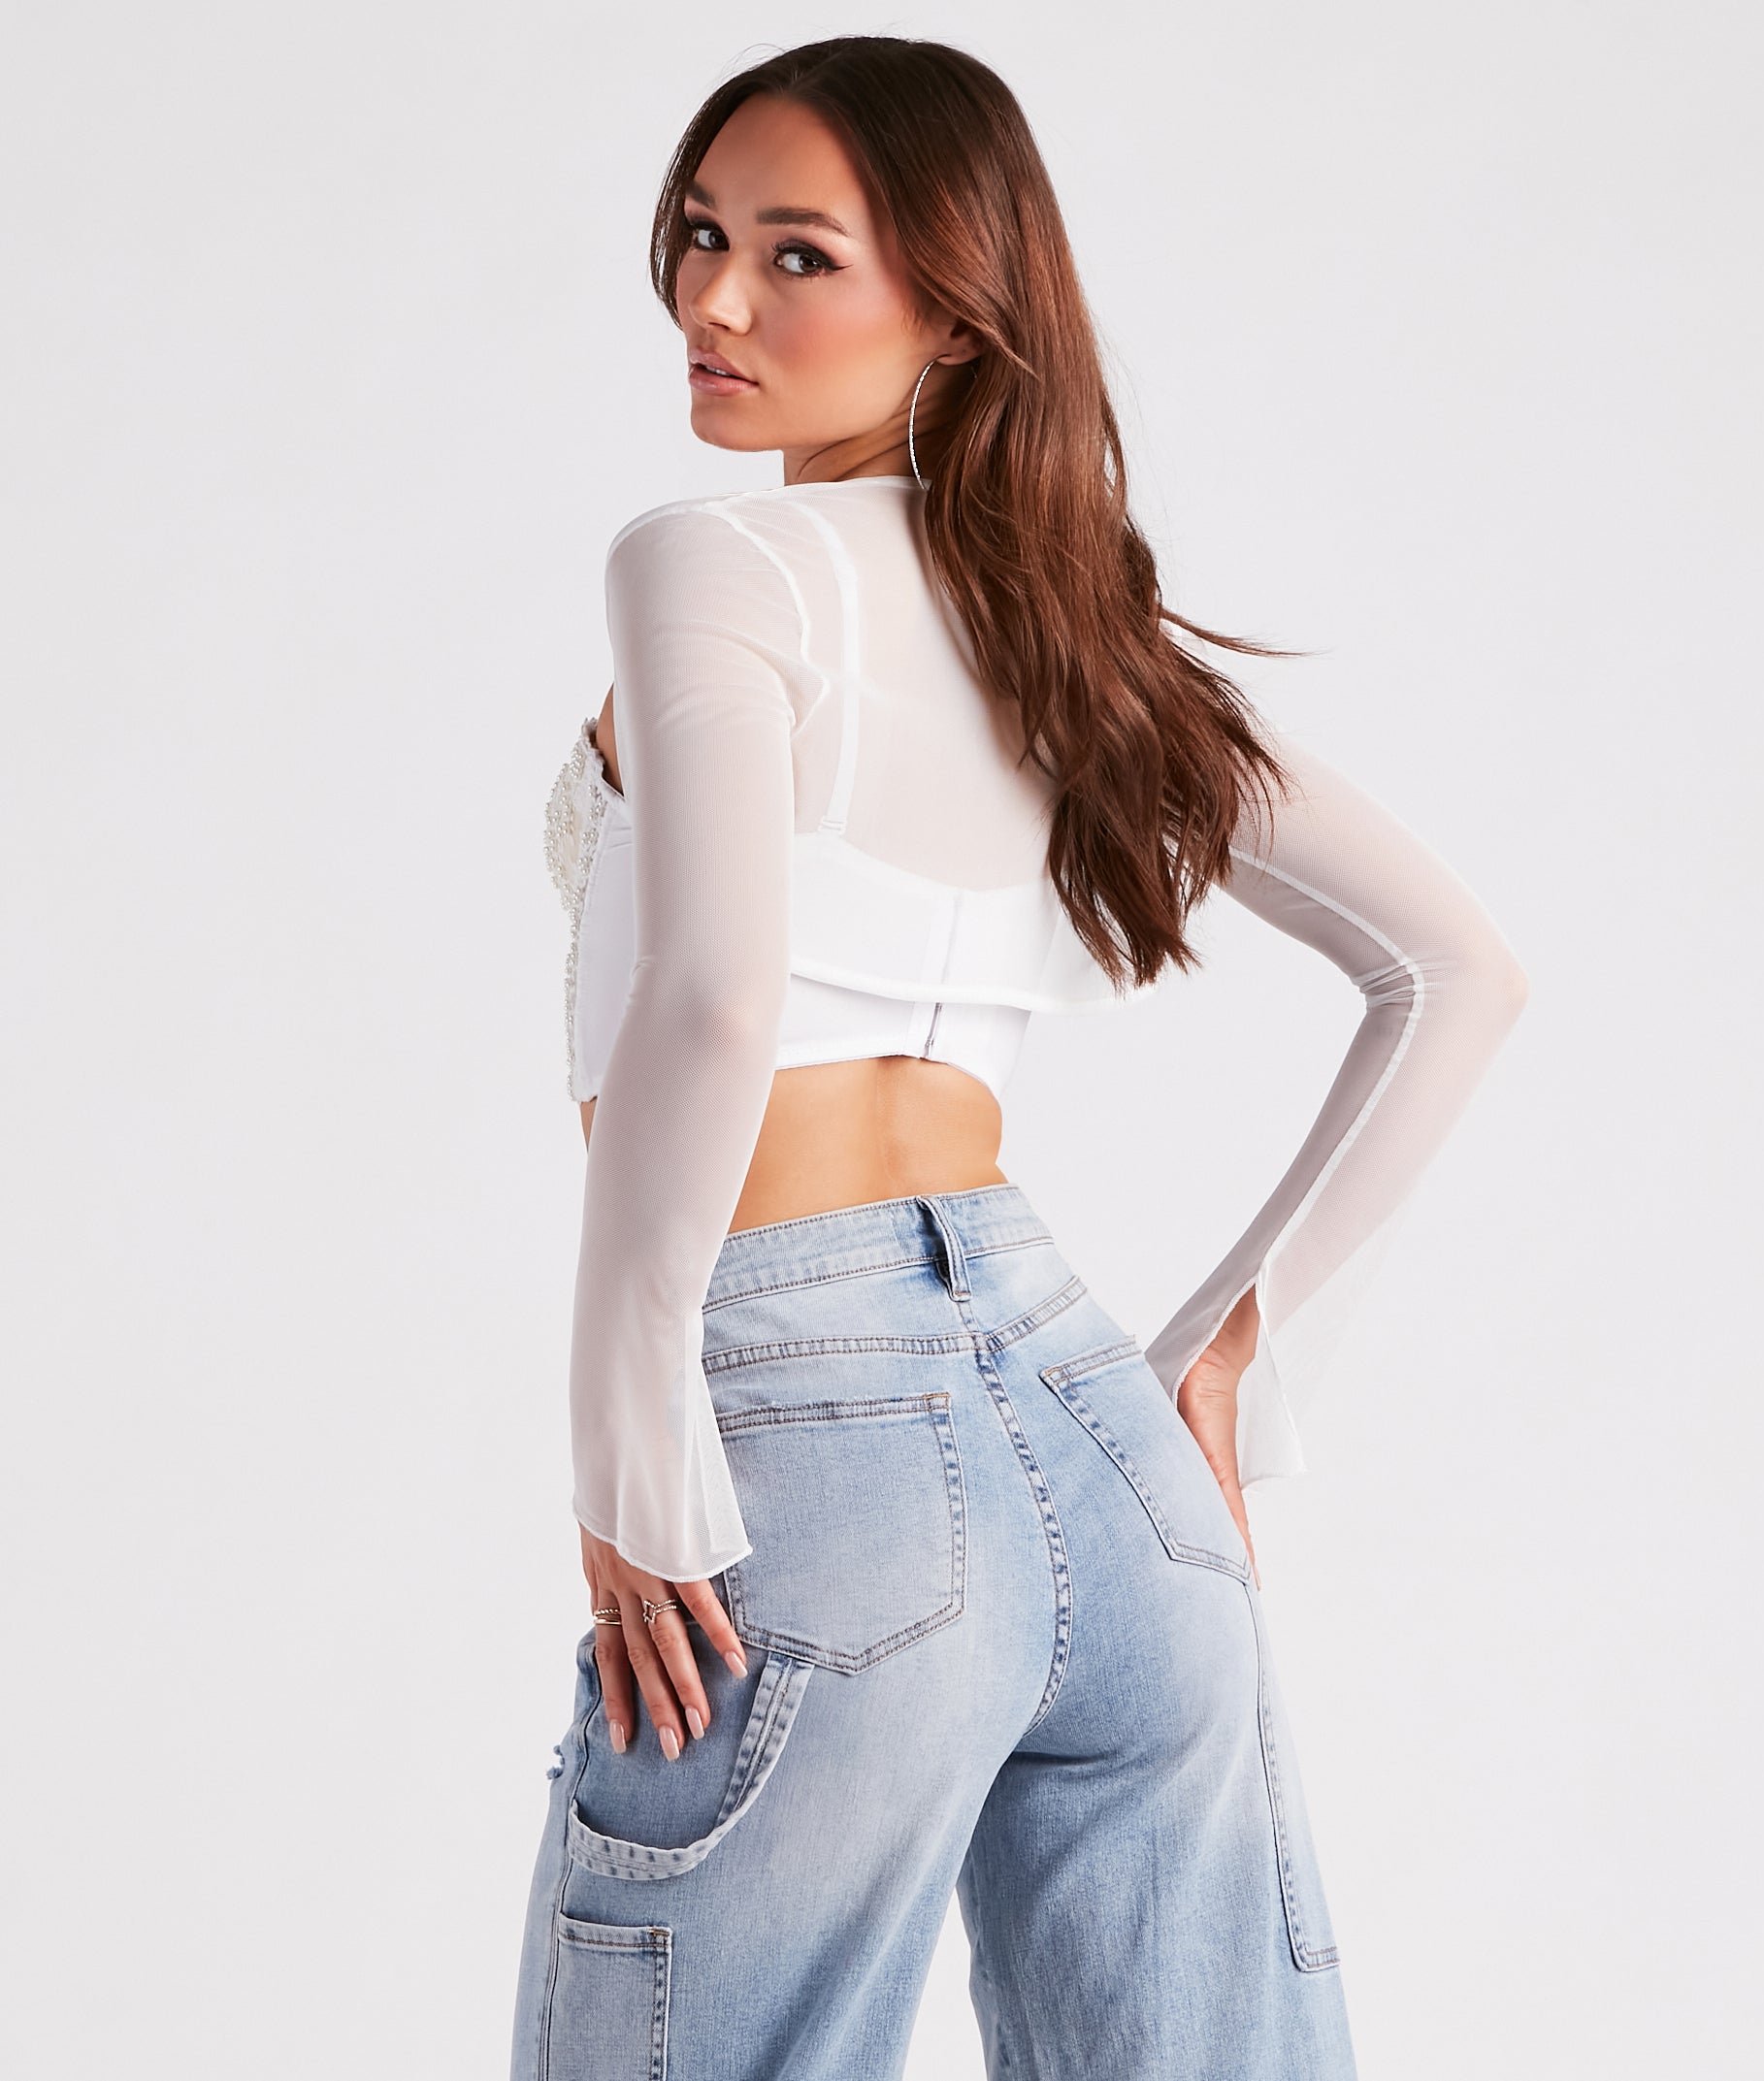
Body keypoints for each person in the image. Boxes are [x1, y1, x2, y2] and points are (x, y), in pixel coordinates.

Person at [514, 34, 1528, 2081]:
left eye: (798, 254)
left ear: (961, 307)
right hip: (1096, 1436)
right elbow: (1457, 970)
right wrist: (1231, 1362)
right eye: (701, 236)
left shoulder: (710, 562)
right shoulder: (1074, 634)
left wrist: (631, 1439)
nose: (716, 299)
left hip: (804, 1432)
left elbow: (713, 992)